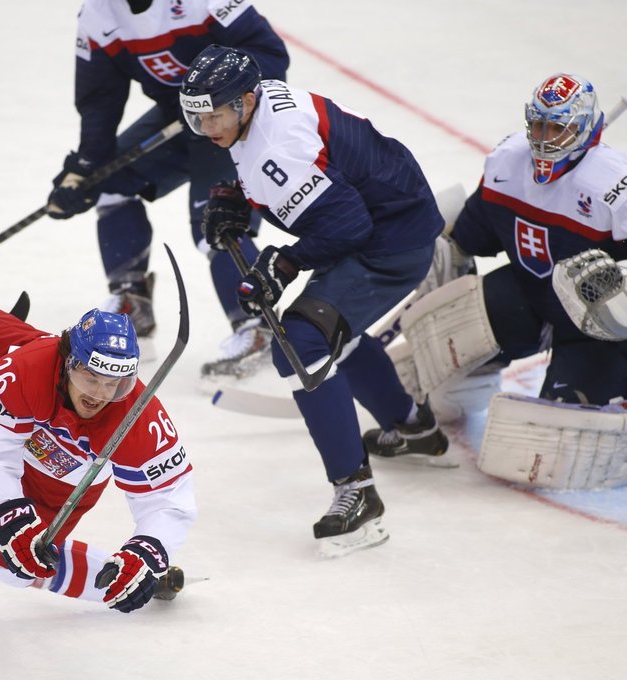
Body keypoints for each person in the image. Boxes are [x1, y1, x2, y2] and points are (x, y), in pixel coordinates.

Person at [180, 45, 450, 557]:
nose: (206, 128)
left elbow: (346, 224)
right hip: (388, 217)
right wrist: (237, 199)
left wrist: (281, 265)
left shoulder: (275, 145)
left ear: (244, 102)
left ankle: (357, 492)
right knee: (330, 335)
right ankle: (413, 428)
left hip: (390, 241)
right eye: (197, 118)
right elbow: (310, 184)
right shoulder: (256, 113)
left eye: (213, 115)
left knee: (302, 343)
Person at [0, 211, 195, 612]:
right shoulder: (21, 371)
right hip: (25, 369)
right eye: (92, 377)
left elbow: (169, 498)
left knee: (5, 559)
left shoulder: (136, 415)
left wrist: (145, 555)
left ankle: (120, 580)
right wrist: (9, 510)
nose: (102, 394)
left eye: (116, 383)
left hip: (69, 467)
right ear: (69, 360)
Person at [391, 74, 627, 488]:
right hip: (529, 295)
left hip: (596, 333)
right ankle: (479, 378)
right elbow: (468, 236)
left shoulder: (615, 189)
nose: (544, 138)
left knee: (558, 452)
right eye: (539, 125)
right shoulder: (507, 162)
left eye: (558, 128)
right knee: (443, 397)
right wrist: (439, 256)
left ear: (586, 129)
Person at [45, 0, 289, 379]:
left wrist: (217, 96)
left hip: (235, 122)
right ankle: (133, 304)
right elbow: (100, 100)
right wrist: (88, 167)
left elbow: (268, 54)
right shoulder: (98, 13)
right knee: (110, 182)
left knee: (216, 223)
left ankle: (257, 327)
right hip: (181, 119)